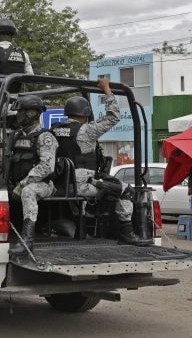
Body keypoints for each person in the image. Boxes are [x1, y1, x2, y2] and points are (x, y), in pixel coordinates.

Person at [49, 78, 149, 246]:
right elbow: (113, 116)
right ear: (86, 114)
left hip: (61, 183)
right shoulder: (86, 131)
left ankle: (81, 232)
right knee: (126, 191)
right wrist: (107, 89)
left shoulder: (55, 129)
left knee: (97, 189)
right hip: (81, 183)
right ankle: (127, 234)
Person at [6, 95, 58, 255]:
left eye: (22, 111)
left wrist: (23, 184)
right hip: (16, 183)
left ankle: (26, 241)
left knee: (29, 192)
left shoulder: (45, 137)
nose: (19, 114)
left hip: (44, 185)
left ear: (33, 113)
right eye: (19, 111)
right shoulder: (16, 136)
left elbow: (46, 167)